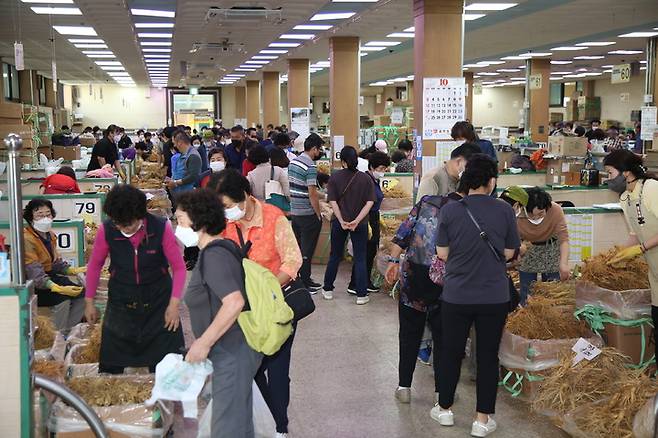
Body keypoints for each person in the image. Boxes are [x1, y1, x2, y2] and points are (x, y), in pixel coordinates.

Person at [208, 169, 302, 438]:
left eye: (228, 206)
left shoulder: (274, 218)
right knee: (250, 368)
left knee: (278, 368)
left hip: (274, 308)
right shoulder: (223, 224)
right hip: (242, 311)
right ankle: (264, 420)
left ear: (246, 196)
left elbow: (293, 260)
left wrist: (267, 290)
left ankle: (280, 427)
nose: (226, 212)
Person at [433, 154, 520, 436]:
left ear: (467, 180)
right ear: (492, 182)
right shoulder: (505, 211)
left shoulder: (450, 210)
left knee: (451, 352)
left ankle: (445, 410)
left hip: (457, 295)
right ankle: (482, 420)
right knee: (487, 356)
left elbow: (442, 254)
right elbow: (509, 253)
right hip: (493, 297)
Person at [177, 189, 262, 438]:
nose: (177, 227)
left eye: (180, 220)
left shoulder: (214, 256)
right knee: (238, 424)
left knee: (226, 428)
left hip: (232, 352)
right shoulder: (215, 251)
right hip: (229, 351)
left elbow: (234, 302)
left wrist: (203, 342)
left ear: (199, 222)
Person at [85, 185, 185, 373]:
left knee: (166, 361)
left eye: (128, 224)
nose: (123, 228)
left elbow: (179, 268)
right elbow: (94, 266)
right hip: (122, 298)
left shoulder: (161, 227)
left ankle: (165, 400)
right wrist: (89, 300)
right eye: (118, 224)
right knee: (113, 359)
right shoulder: (106, 230)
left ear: (141, 215)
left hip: (158, 297)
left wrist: (173, 305)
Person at [385, 186, 464, 406]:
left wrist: (393, 262)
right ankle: (441, 392)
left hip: (414, 277)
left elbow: (402, 234)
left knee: (409, 333)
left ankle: (404, 387)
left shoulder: (427, 202)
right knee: (443, 338)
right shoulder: (465, 210)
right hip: (446, 282)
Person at [604, 150, 658, 364]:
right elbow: (635, 235)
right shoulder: (625, 199)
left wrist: (641, 248)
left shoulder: (652, 189)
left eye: (610, 173)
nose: (608, 179)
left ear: (626, 172)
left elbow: (642, 243)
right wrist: (618, 255)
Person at [322, 146, 376, 304]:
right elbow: (370, 202)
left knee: (335, 256)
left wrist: (341, 220)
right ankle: (361, 294)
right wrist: (357, 220)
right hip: (360, 224)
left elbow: (332, 202)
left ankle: (327, 289)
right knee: (360, 258)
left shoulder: (335, 178)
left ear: (343, 161)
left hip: (339, 223)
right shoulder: (365, 178)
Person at [24, 198, 86, 331]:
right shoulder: (26, 239)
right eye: (40, 215)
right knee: (62, 299)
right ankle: (57, 336)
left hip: (49, 277)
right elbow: (35, 273)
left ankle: (70, 330)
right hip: (33, 284)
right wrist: (56, 287)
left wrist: (72, 270)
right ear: (30, 218)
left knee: (82, 294)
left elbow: (54, 263)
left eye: (48, 214)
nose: (45, 218)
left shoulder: (50, 235)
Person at [510, 187, 570, 304]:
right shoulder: (517, 214)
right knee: (527, 292)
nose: (537, 218)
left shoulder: (555, 210)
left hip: (551, 248)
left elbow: (564, 239)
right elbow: (511, 239)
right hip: (528, 249)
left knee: (553, 291)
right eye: (532, 215)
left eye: (541, 214)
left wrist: (563, 264)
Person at [347, 151, 391, 294]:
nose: (382, 172)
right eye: (380, 169)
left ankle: (365, 281)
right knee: (363, 252)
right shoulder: (365, 180)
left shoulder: (374, 180)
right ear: (372, 167)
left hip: (374, 217)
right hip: (366, 218)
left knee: (370, 252)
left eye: (385, 169)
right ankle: (355, 283)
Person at [289, 133, 325, 292]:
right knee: (307, 251)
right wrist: (318, 214)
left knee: (298, 249)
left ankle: (302, 279)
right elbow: (311, 193)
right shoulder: (310, 166)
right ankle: (304, 283)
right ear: (314, 148)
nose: (320, 152)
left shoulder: (293, 162)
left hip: (295, 212)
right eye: (320, 149)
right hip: (307, 214)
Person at [416, 142, 481, 200]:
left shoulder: (461, 179)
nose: (472, 170)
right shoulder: (433, 178)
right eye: (470, 166)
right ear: (458, 162)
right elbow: (423, 209)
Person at [166, 130, 202, 195]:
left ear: (180, 142)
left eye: (174, 143)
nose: (174, 146)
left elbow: (192, 176)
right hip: (179, 194)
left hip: (187, 195)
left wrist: (175, 182)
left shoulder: (193, 156)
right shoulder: (183, 154)